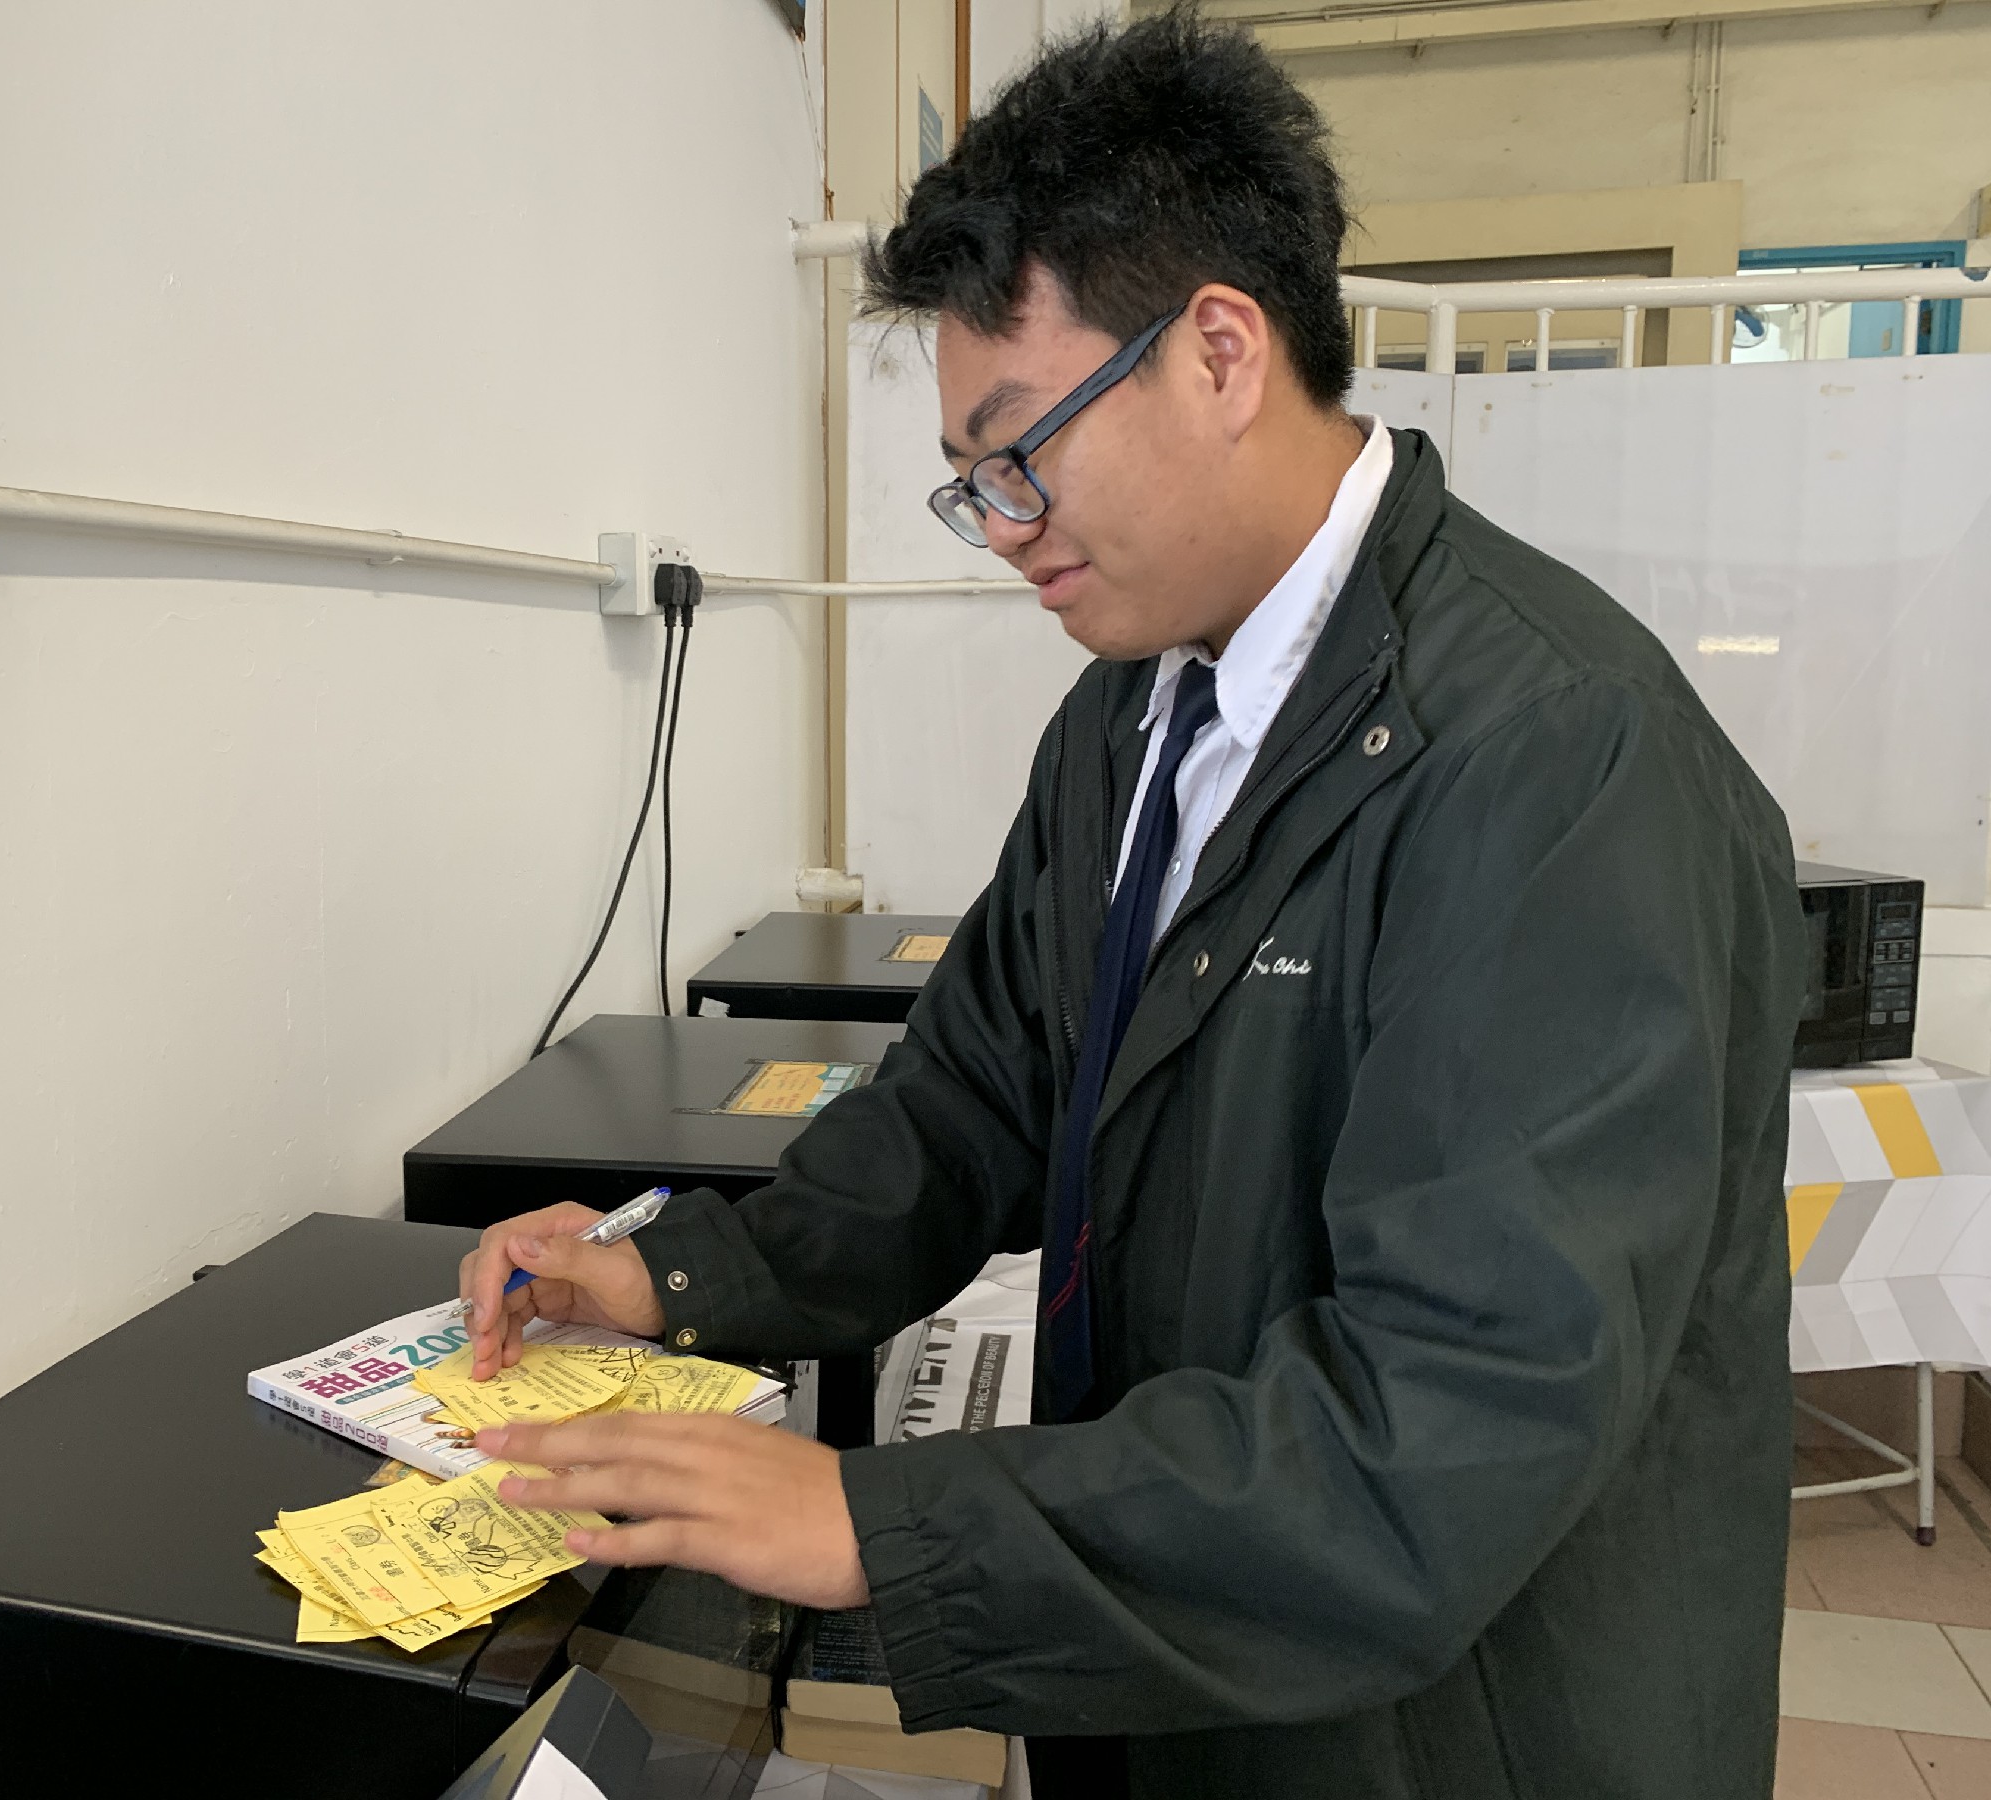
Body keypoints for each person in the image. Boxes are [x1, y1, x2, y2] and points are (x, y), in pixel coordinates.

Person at [458, 16, 1806, 1797]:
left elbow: (1445, 1432)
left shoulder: (1558, 762)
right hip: (1186, 1689)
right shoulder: (1135, 717)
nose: (1005, 523)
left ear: (1222, 353)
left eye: (1021, 449)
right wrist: (670, 1273)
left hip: (1457, 1738)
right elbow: (965, 1109)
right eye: (972, 482)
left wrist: (877, 1524)